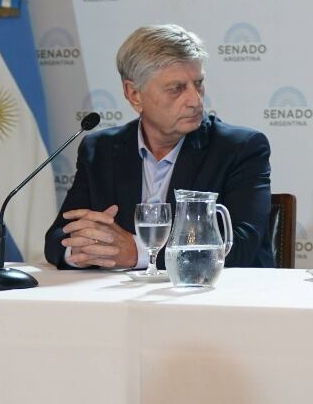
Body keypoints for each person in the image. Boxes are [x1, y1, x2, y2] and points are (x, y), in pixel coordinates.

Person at [44, 24, 273, 269]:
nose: (195, 100)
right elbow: (58, 238)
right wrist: (87, 248)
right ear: (134, 94)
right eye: (176, 88)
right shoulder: (100, 150)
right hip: (120, 301)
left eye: (198, 84)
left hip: (212, 300)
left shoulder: (240, 149)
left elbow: (240, 247)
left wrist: (138, 253)